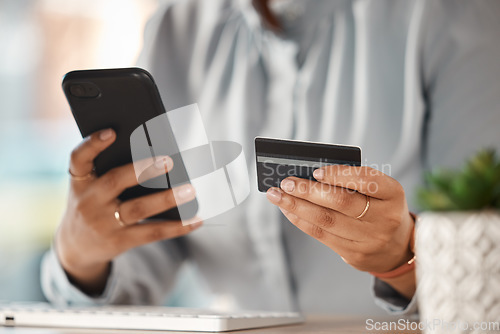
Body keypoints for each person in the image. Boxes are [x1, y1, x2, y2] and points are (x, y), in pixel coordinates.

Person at [41, 0, 500, 315]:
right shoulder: (177, 29)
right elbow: (146, 251)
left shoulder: (450, 17)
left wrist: (403, 259)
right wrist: (81, 258)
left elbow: (485, 265)